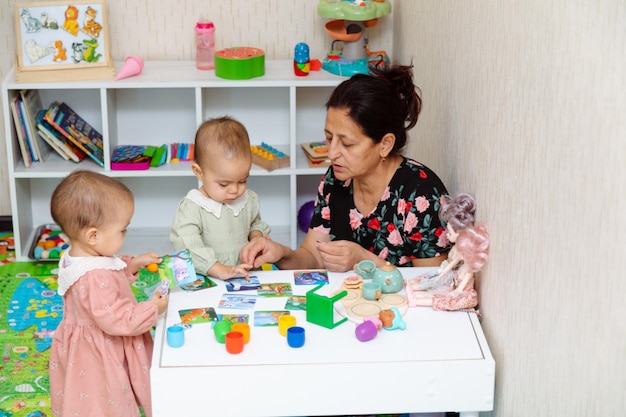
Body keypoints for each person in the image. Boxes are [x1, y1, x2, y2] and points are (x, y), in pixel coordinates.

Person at [240, 63, 450, 272]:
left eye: (347, 144)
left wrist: (362, 259)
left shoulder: (421, 196)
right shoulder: (336, 179)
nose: (332, 153)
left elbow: (432, 284)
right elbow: (313, 257)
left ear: (385, 145)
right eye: (329, 138)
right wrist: (282, 254)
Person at [48, 170, 168, 417]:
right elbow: (117, 319)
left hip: (85, 343)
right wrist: (152, 308)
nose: (125, 235)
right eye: (122, 230)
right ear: (93, 236)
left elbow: (108, 282)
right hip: (102, 350)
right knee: (109, 400)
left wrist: (132, 264)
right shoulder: (94, 277)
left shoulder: (79, 257)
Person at [170, 116, 271, 280]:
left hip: (246, 272)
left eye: (242, 180)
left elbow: (254, 223)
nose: (235, 190)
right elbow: (187, 246)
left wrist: (256, 238)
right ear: (199, 172)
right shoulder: (193, 207)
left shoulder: (248, 199)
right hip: (208, 276)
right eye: (224, 184)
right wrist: (218, 269)